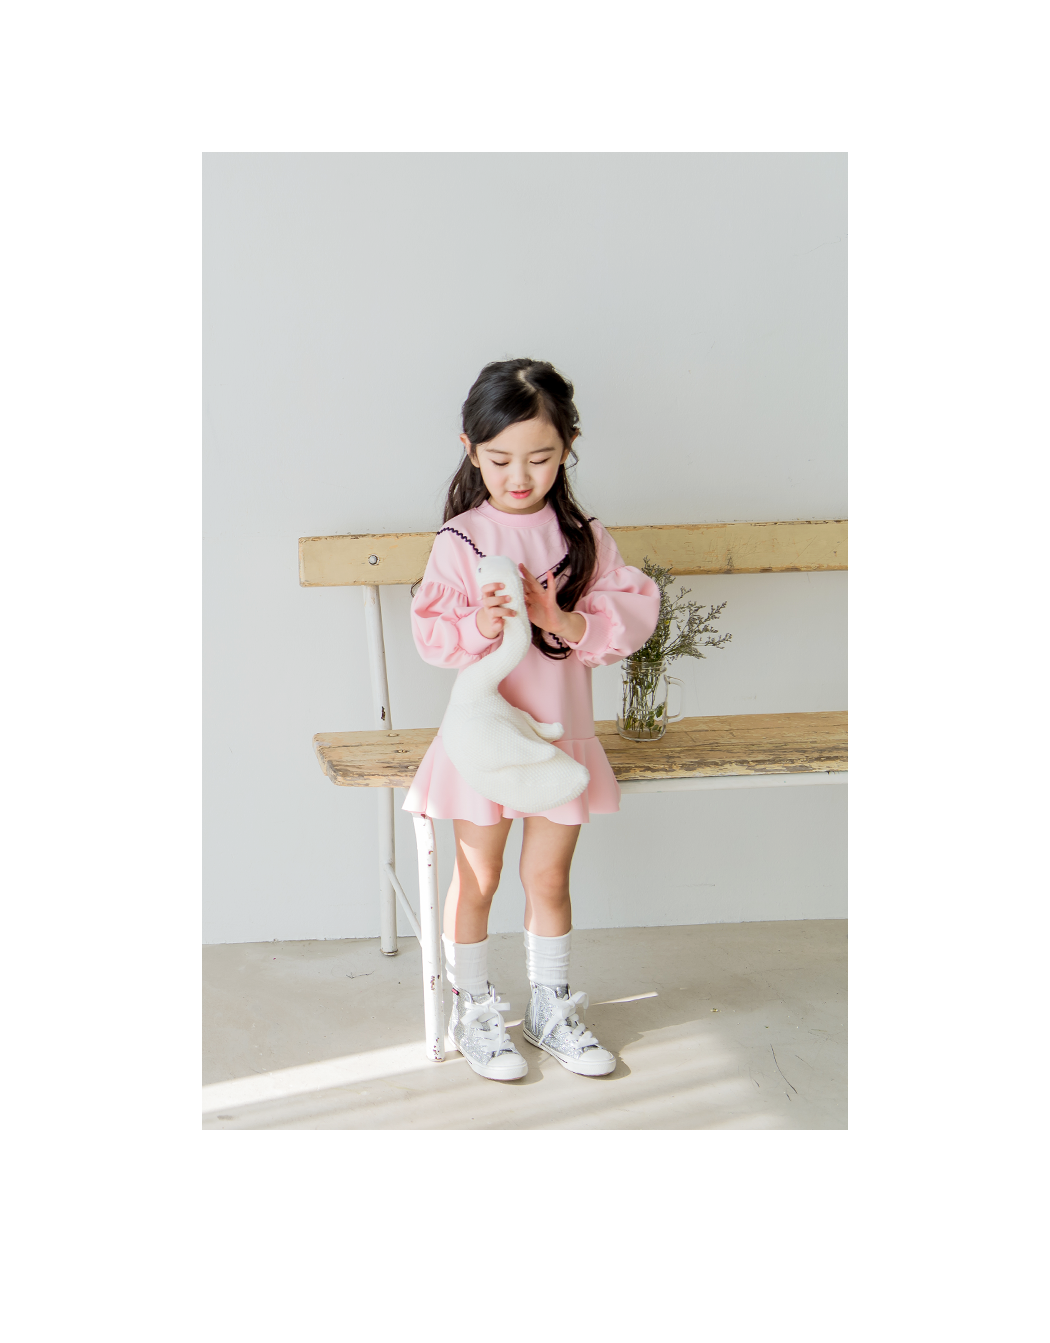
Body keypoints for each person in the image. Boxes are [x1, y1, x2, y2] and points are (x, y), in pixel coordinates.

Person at [404, 359, 660, 1081]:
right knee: (477, 876)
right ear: (470, 449)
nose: (520, 476)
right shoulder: (461, 539)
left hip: (557, 739)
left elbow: (629, 617)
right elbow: (432, 635)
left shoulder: (582, 536)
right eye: (500, 459)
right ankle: (474, 1007)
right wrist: (482, 623)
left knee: (547, 877)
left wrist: (559, 616)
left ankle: (550, 1007)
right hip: (485, 743)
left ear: (569, 446)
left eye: (540, 457)